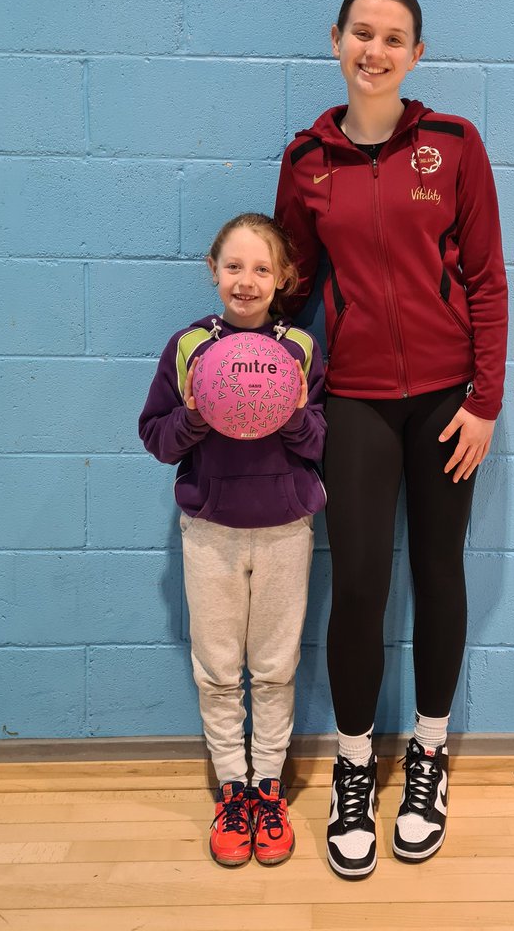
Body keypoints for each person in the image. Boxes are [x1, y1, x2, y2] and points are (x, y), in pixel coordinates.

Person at [275, 0, 507, 878]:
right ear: (336, 41)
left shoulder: (454, 145)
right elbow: (294, 285)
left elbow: (485, 279)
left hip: (448, 400)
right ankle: (355, 765)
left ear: (417, 54)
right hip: (358, 402)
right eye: (361, 33)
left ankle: (431, 757)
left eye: (394, 37)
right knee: (362, 583)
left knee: (439, 571)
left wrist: (484, 400)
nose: (375, 50)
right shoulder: (307, 161)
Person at [138, 213, 326, 869]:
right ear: (213, 271)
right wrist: (195, 414)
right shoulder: (189, 346)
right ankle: (233, 790)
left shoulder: (300, 349)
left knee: (275, 667)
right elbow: (156, 439)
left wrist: (293, 414)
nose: (246, 281)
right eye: (234, 266)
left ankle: (269, 789)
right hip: (210, 531)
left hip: (283, 531)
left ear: (284, 279)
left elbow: (322, 442)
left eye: (262, 269)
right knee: (218, 670)